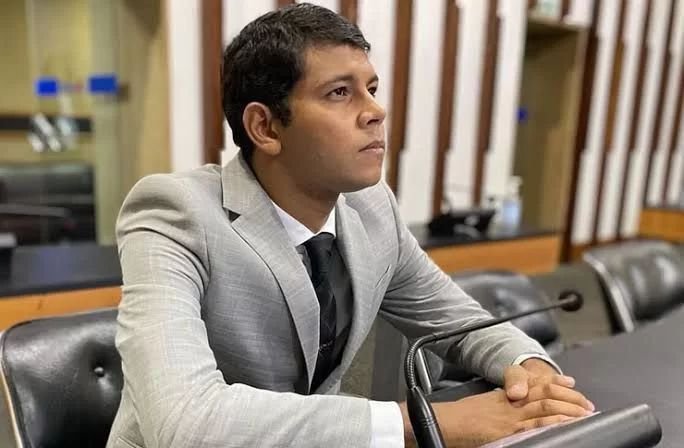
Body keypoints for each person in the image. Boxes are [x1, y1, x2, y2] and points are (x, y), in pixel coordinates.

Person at [106, 4, 593, 448]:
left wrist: (530, 370)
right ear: (266, 127)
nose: (376, 111)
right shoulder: (175, 214)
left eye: (372, 90)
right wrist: (428, 422)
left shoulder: (371, 208)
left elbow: (458, 321)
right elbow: (186, 421)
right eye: (340, 93)